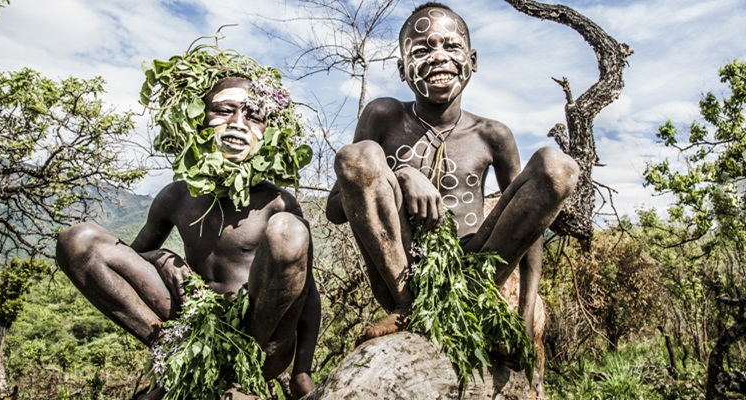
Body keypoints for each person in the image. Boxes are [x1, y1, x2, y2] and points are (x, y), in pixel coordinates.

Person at [325, 2, 579, 357]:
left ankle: (481, 310)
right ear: (402, 69)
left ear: (472, 60)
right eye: (422, 49)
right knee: (358, 154)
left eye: (451, 45)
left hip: (474, 273)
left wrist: (524, 311)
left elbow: (531, 224)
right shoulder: (384, 116)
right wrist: (401, 174)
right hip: (404, 274)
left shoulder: (493, 135)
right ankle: (406, 308)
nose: (438, 56)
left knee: (558, 167)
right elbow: (336, 209)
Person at [56, 62, 320, 398]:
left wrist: (302, 372)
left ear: (268, 130)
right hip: (192, 326)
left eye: (253, 115)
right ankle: (175, 358)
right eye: (224, 111)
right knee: (78, 241)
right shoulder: (177, 195)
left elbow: (307, 291)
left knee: (288, 230)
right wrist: (161, 256)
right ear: (198, 118)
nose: (238, 124)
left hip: (262, 341)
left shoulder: (278, 202)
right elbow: (127, 264)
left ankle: (238, 378)